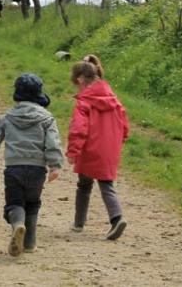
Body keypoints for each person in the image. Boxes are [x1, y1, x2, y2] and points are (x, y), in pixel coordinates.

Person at [0, 73, 64, 256]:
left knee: (14, 204)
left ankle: (18, 224)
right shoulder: (47, 118)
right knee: (33, 204)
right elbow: (53, 143)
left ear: (17, 94)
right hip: (37, 170)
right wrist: (55, 165)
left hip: (14, 169)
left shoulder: (8, 117)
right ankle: (29, 243)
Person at [67, 55, 129, 240]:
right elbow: (124, 124)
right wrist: (120, 140)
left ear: (80, 80)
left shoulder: (84, 102)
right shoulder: (113, 99)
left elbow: (78, 129)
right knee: (106, 184)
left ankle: (79, 223)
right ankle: (116, 218)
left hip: (89, 149)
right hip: (110, 148)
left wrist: (73, 151)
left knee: (84, 185)